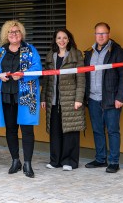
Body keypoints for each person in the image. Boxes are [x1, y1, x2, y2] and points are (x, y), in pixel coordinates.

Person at [0, 20, 41, 178]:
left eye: (17, 31)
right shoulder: (0, 52)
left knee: (27, 129)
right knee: (11, 129)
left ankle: (27, 163)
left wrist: (22, 74)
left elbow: (37, 68)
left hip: (26, 95)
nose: (14, 34)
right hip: (6, 95)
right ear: (6, 35)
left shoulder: (30, 49)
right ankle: (15, 160)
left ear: (22, 33)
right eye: (11, 32)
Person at [84, 22, 123, 173]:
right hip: (93, 99)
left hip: (111, 99)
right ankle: (100, 159)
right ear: (95, 35)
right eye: (98, 33)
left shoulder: (118, 52)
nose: (101, 36)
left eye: (104, 33)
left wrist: (121, 98)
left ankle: (113, 162)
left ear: (109, 34)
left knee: (112, 131)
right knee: (98, 130)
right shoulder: (89, 53)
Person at [40, 28, 86, 171]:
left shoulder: (76, 55)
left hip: (71, 99)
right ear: (55, 40)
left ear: (69, 39)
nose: (62, 41)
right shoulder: (50, 56)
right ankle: (55, 161)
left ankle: (70, 161)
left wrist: (79, 98)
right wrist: (43, 97)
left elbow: (81, 78)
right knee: (55, 131)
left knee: (70, 131)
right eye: (59, 38)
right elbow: (46, 79)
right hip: (53, 100)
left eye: (64, 38)